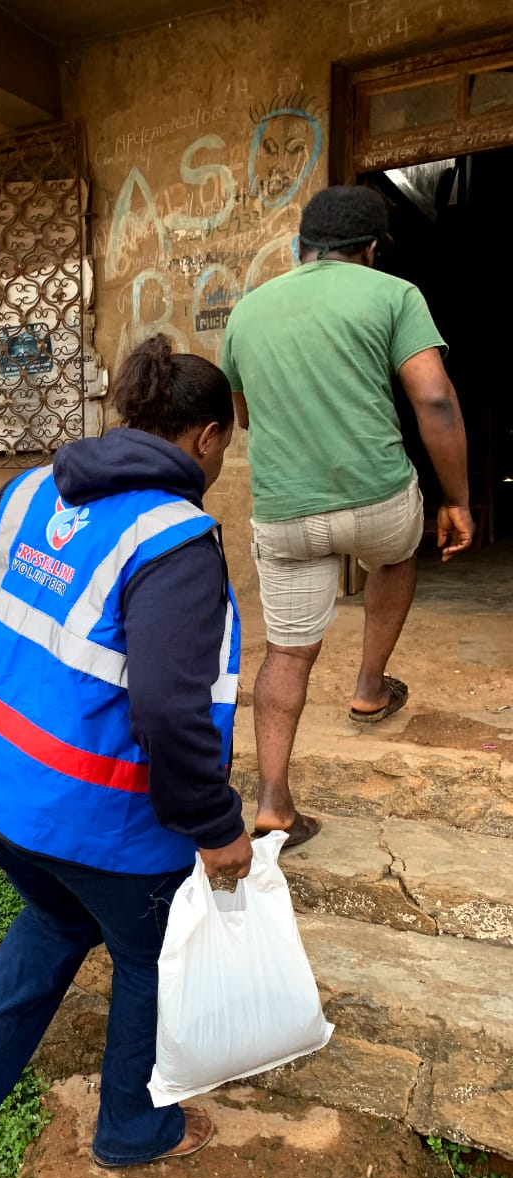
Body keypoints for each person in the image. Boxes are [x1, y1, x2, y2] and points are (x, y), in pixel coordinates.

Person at [0, 334, 252, 1170]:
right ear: (205, 437)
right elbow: (171, 714)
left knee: (63, 911)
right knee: (149, 949)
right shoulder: (174, 540)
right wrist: (215, 826)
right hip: (89, 816)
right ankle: (135, 1130)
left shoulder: (31, 490)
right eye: (227, 442)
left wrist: (1, 665)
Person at [219, 183, 474, 850]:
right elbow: (436, 404)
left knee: (287, 651)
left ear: (301, 247)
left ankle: (273, 803)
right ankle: (368, 686)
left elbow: (243, 415)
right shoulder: (393, 294)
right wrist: (457, 499)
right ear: (369, 249)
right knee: (395, 552)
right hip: (377, 501)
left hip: (285, 514)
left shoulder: (246, 311)